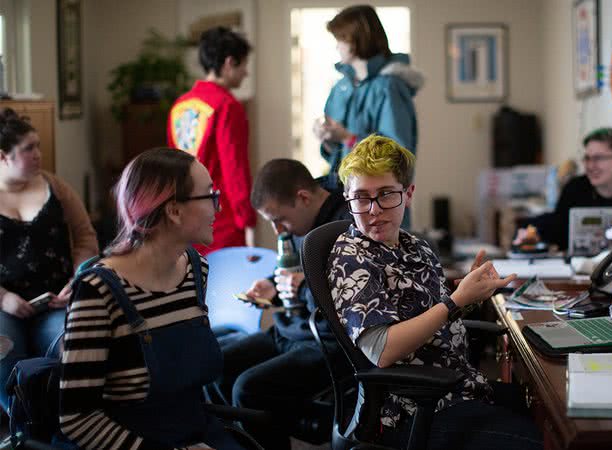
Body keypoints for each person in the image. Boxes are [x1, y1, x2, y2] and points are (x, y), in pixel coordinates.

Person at [327, 135, 543, 450]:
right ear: (348, 198)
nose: (373, 210)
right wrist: (456, 300)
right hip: (412, 409)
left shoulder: (415, 245)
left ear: (408, 194)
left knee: (552, 408)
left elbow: (434, 316)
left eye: (386, 194)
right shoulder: (351, 257)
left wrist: (470, 296)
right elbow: (382, 350)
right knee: (541, 440)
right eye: (361, 197)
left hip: (461, 388)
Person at [59, 148, 245, 450]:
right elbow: (77, 418)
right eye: (210, 196)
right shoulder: (98, 291)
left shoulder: (195, 270)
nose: (218, 208)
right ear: (173, 210)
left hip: (197, 433)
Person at [219, 159, 351, 450]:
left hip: (328, 341)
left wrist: (302, 286)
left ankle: (320, 423)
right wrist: (274, 287)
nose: (279, 230)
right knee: (217, 365)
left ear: (303, 198)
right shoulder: (303, 217)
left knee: (248, 389)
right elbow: (300, 273)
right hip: (293, 330)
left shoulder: (346, 224)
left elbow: (347, 298)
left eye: (280, 220)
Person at [0, 108, 98, 412]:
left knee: (69, 348)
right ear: (3, 156)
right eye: (29, 148)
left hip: (57, 298)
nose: (39, 154)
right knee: (4, 354)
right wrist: (3, 298)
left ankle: (59, 424)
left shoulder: (55, 186)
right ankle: (21, 429)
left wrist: (77, 280)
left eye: (38, 146)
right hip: (6, 306)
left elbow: (85, 237)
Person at [168, 26, 257, 254]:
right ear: (229, 63)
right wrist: (247, 220)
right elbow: (235, 170)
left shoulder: (180, 105)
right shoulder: (227, 106)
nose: (246, 73)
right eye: (244, 65)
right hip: (221, 219)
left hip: (184, 218)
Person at [315, 4, 423, 188]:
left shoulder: (389, 87)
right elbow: (336, 154)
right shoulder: (341, 87)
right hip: (345, 193)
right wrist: (327, 138)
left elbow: (398, 158)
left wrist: (348, 138)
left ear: (356, 41)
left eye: (340, 39)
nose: (336, 46)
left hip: (379, 202)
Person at [532, 128, 612, 250]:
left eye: (598, 158)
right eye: (587, 158)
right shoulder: (574, 188)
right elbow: (557, 229)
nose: (591, 166)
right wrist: (533, 233)